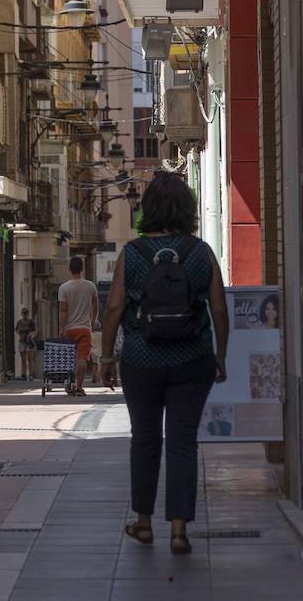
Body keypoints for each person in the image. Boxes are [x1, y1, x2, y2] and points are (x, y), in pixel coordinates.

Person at [99, 172, 230, 555]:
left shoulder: (133, 253)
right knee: (183, 441)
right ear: (188, 209)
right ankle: (178, 530)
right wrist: (219, 356)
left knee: (144, 438)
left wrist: (107, 356)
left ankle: (142, 523)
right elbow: (219, 309)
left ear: (148, 210)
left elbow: (113, 307)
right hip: (193, 358)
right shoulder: (201, 252)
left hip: (141, 359)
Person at [58, 257, 99, 396]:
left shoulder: (64, 288)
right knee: (82, 358)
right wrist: (92, 322)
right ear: (82, 269)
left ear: (70, 269)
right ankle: (79, 387)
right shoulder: (90, 286)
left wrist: (62, 328)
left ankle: (69, 383)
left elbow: (63, 311)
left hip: (70, 329)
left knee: (69, 357)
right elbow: (95, 305)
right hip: (84, 328)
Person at [14, 308, 37, 380]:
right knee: (23, 359)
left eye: (26, 313)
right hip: (22, 342)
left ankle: (30, 374)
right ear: (22, 314)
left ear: (28, 314)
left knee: (30, 359)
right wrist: (20, 334)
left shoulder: (31, 322)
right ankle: (23, 374)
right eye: (23, 313)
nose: (25, 315)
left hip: (29, 342)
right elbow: (16, 329)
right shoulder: (19, 322)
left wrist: (31, 334)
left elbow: (36, 331)